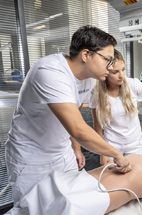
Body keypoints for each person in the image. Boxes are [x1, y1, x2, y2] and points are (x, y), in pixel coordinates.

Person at [5, 25, 132, 205]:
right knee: (32, 213)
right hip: (33, 156)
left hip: (62, 152)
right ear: (86, 55)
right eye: (108, 60)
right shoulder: (49, 72)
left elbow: (75, 115)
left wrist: (76, 148)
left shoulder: (88, 76)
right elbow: (79, 129)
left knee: (70, 204)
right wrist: (117, 155)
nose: (110, 67)